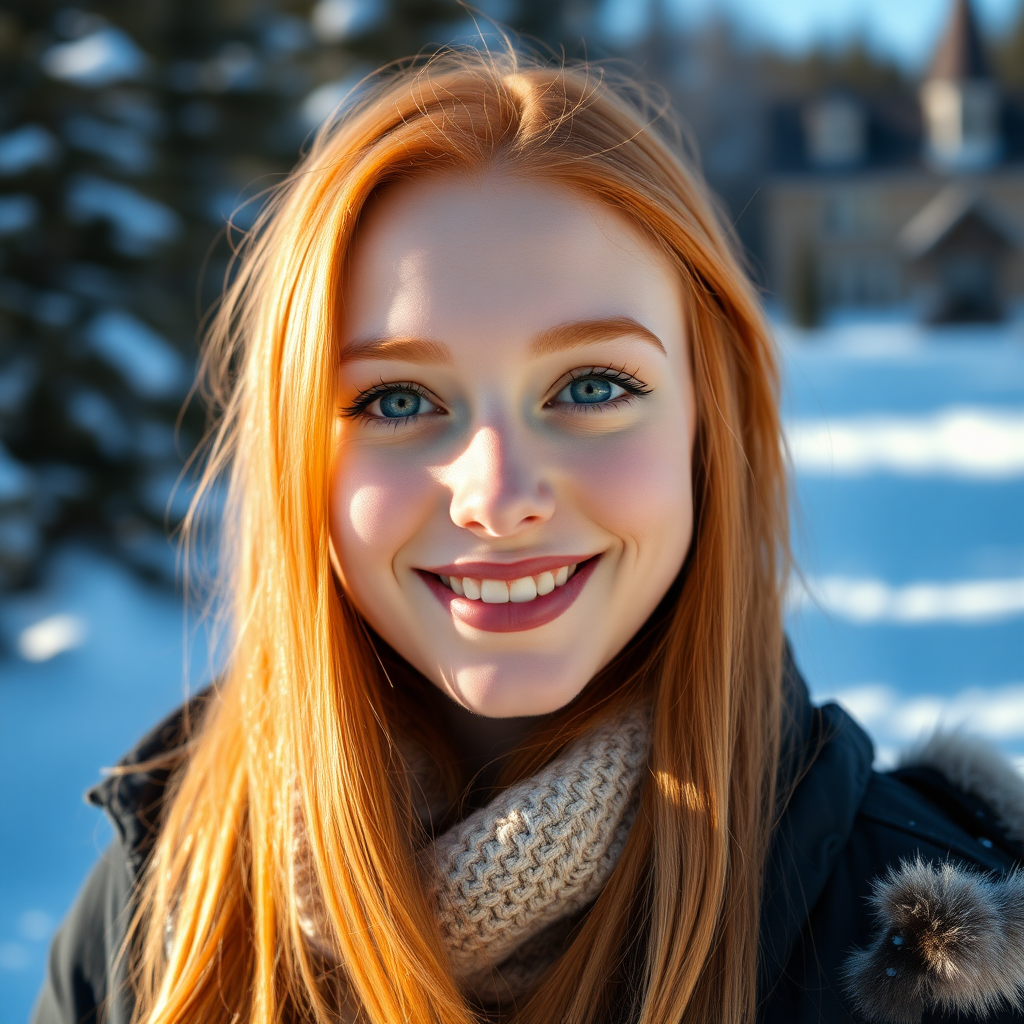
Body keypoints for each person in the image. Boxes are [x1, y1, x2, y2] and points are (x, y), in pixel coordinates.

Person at [32, 48, 1024, 1024]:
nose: (498, 497)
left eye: (592, 385)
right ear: (299, 459)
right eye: (397, 397)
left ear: (704, 429)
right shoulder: (162, 909)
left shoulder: (938, 965)